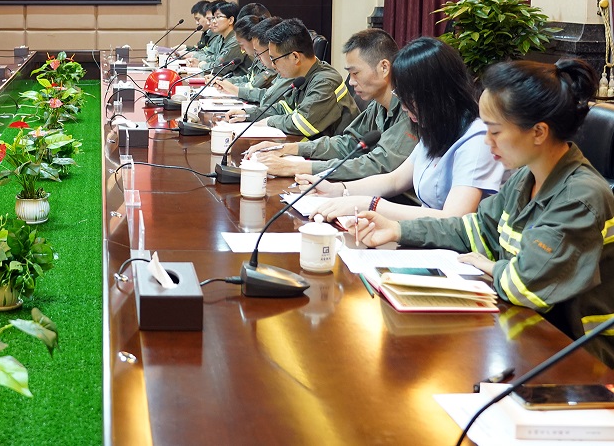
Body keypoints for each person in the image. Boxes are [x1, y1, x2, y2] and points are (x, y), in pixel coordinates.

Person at [352, 59, 614, 366]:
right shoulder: (525, 177)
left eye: (495, 131)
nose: (487, 141)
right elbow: (473, 229)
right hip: (525, 332)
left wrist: (491, 266)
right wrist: (397, 230)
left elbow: (525, 284)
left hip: (579, 356)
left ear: (539, 132)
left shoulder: (580, 198)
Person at [311, 37, 503, 220]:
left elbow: (453, 218)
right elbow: (394, 180)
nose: (403, 107)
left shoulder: (477, 139)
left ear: (436, 94)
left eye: (408, 98)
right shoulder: (438, 128)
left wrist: (371, 205)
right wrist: (338, 190)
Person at [247, 28, 417, 180]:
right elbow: (348, 143)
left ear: (384, 68)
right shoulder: (377, 105)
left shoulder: (409, 112)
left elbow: (375, 166)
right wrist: (289, 148)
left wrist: (297, 167)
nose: (351, 82)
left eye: (356, 73)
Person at [227, 18, 358, 139]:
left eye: (274, 59)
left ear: (295, 57)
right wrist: (247, 114)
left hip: (337, 152)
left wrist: (268, 121)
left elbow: (302, 124)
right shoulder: (303, 76)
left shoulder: (325, 81)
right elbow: (284, 108)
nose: (273, 65)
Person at [212, 15, 273, 97]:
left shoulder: (271, 62)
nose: (242, 49)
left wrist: (233, 88)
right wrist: (225, 81)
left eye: (241, 44)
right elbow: (248, 78)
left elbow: (255, 86)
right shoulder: (258, 57)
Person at [189, 0, 243, 71]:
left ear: (230, 20)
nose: (213, 21)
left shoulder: (235, 41)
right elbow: (211, 55)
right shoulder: (220, 37)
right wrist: (198, 59)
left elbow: (220, 67)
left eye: (218, 17)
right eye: (213, 18)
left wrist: (201, 65)